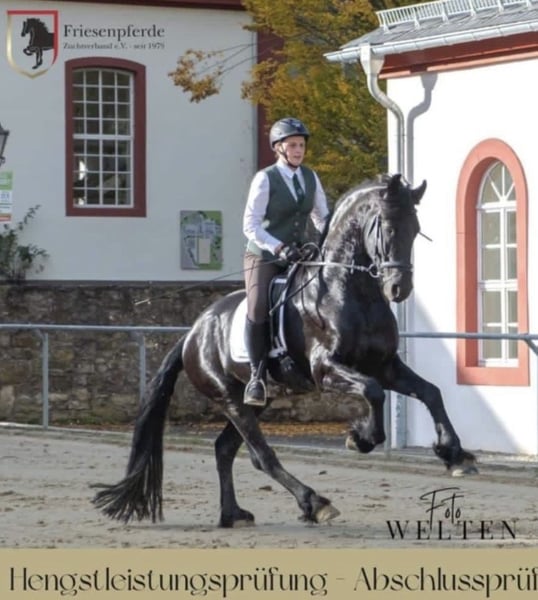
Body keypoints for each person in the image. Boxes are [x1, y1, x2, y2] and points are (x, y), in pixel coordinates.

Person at [242, 117, 330, 406]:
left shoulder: (310, 177)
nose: (298, 150)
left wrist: (328, 241)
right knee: (258, 306)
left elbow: (321, 217)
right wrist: (278, 247)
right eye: (292, 145)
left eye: (301, 145)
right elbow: (250, 225)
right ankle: (256, 377)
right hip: (263, 255)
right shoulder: (265, 178)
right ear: (278, 148)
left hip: (299, 253)